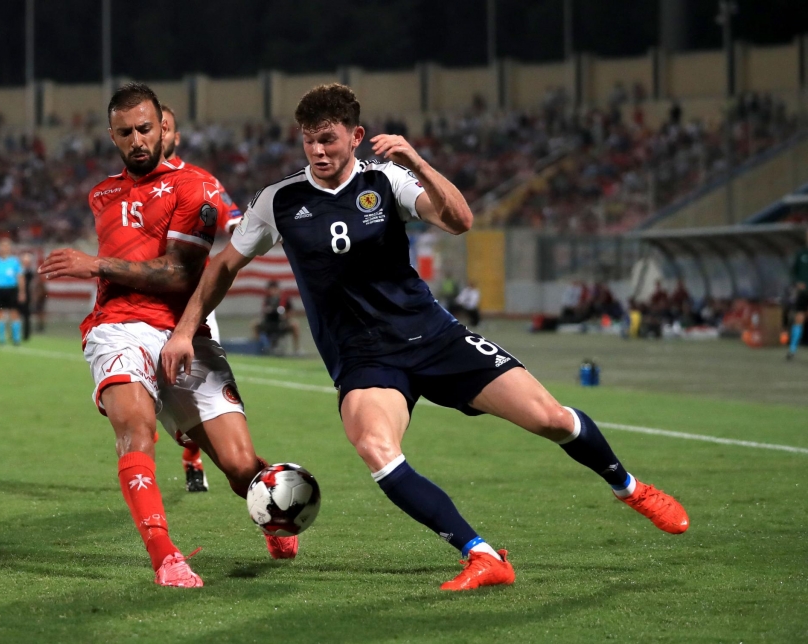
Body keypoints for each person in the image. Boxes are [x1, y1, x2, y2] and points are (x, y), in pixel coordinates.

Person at [162, 83, 688, 592]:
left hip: (435, 337)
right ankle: (480, 555)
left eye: (329, 138)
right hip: (364, 360)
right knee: (375, 446)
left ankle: (630, 488)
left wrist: (415, 161)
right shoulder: (280, 200)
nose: (318, 150)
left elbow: (460, 220)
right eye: (308, 139)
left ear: (355, 135)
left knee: (551, 418)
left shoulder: (387, 180)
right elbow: (224, 266)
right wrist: (186, 330)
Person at [37, 83, 298, 589]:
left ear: (164, 129)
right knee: (136, 430)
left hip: (184, 332)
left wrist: (96, 265)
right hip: (116, 328)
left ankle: (273, 513)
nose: (136, 140)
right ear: (112, 137)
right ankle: (166, 556)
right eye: (125, 132)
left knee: (242, 467)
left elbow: (181, 275)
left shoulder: (195, 187)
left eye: (145, 129)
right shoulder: (102, 193)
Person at [162, 103, 245, 492]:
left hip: (193, 312)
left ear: (175, 137)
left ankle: (201, 458)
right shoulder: (123, 189)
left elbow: (236, 223)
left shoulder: (200, 182)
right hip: (140, 319)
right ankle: (190, 448)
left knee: (211, 411)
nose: (154, 134)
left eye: (163, 127)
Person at [0, 237, 25, 346]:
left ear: (10, 248)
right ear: (0, 248)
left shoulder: (15, 262)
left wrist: (22, 292)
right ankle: (1, 338)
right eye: (3, 246)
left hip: (12, 289)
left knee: (14, 313)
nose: (5, 248)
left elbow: (20, 277)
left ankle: (16, 338)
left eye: (7, 246)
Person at [252, 279, 300, 354]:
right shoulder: (267, 300)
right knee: (254, 324)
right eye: (271, 289)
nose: (273, 291)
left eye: (275, 289)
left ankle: (296, 349)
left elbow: (291, 312)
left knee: (295, 324)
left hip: (282, 323)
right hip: (269, 323)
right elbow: (263, 312)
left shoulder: (284, 300)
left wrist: (285, 316)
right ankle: (258, 348)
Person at [787, 229, 808, 360]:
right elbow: (793, 273)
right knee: (799, 318)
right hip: (804, 293)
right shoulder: (801, 254)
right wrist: (797, 283)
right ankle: (792, 350)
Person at [18, 251, 36, 341]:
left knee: (26, 315)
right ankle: (16, 333)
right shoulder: (19, 270)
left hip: (27, 294)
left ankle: (26, 334)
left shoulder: (30, 272)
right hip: (18, 293)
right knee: (16, 314)